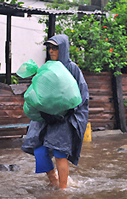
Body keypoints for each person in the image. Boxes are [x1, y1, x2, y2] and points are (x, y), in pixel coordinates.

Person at [21, 34, 89, 189]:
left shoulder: (73, 69)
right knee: (39, 150)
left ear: (63, 49)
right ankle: (54, 181)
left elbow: (82, 96)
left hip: (66, 119)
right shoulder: (48, 66)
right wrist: (43, 112)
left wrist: (67, 114)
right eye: (49, 47)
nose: (51, 51)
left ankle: (63, 191)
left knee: (59, 152)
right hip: (47, 117)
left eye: (55, 47)